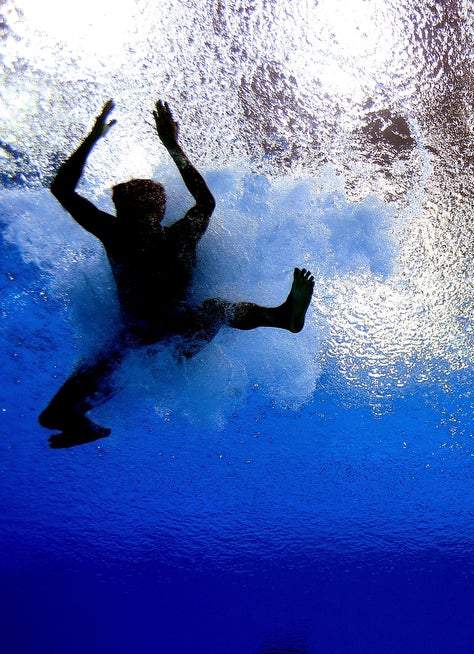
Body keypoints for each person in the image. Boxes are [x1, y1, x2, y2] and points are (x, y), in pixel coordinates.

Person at [40, 100, 315, 448]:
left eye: (140, 209)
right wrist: (170, 145)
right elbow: (204, 202)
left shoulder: (129, 234)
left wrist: (111, 139)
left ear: (154, 212)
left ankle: (281, 316)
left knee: (214, 308)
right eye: (132, 210)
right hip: (143, 342)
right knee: (53, 416)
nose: (137, 216)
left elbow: (62, 190)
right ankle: (85, 425)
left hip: (170, 339)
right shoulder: (153, 234)